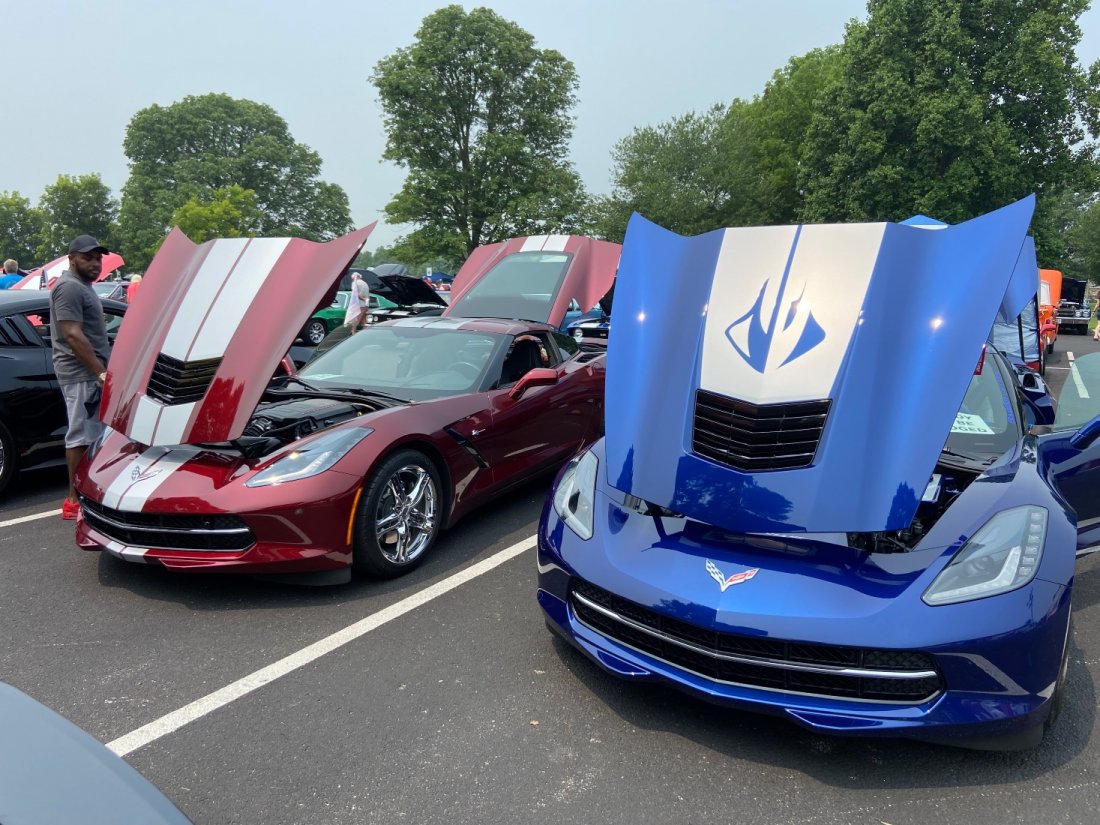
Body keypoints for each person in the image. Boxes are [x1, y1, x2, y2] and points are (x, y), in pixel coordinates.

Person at [50, 235, 112, 520]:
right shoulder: (69, 288)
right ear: (72, 258)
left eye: (98, 258)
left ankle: (87, 493)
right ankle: (73, 500)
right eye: (88, 257)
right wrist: (99, 372)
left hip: (88, 373)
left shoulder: (83, 287)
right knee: (81, 435)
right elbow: (73, 335)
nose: (95, 263)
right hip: (81, 375)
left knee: (93, 434)